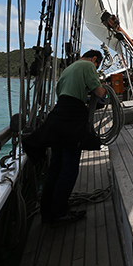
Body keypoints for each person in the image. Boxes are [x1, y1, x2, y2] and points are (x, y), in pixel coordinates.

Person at [38, 49, 106, 225]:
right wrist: (103, 89)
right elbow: (99, 93)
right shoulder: (88, 65)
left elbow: (60, 92)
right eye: (97, 65)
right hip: (71, 118)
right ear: (94, 59)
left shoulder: (69, 69)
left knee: (56, 167)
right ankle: (60, 213)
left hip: (57, 116)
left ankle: (47, 212)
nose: (96, 67)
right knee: (69, 168)